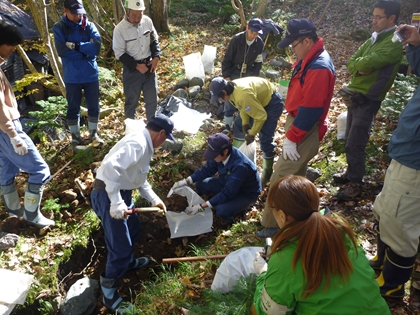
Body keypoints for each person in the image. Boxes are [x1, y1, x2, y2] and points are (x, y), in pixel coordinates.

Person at [251, 175, 390, 315]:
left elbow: (267, 312)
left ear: (282, 215)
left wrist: (264, 273)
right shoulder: (339, 228)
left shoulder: (284, 260)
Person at [257, 18, 335, 238]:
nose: (292, 51)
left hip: (304, 127)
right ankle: (300, 219)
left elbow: (310, 109)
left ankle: (273, 225)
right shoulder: (309, 59)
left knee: (281, 178)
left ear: (307, 40)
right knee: (296, 178)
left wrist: (292, 137)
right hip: (299, 124)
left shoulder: (319, 66)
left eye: (294, 46)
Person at [90, 114, 171, 313]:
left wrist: (154, 198)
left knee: (133, 226)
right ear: (161, 133)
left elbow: (139, 178)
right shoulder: (138, 144)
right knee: (120, 246)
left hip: (122, 192)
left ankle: (128, 263)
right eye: (167, 138)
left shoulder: (145, 145)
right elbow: (110, 168)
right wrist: (116, 202)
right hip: (108, 193)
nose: (165, 142)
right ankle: (109, 294)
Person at [368, 24, 420, 298]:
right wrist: (416, 45)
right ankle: (381, 263)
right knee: (386, 209)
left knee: (400, 221)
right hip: (405, 150)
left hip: (415, 158)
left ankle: (393, 283)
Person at [335, 0, 402, 200]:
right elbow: (354, 61)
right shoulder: (375, 38)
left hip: (369, 97)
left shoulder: (393, 42)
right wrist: (360, 66)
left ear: (391, 18)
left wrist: (362, 64)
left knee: (356, 141)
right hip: (356, 95)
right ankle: (350, 174)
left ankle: (356, 182)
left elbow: (368, 62)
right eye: (373, 16)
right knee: (349, 138)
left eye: (378, 17)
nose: (373, 21)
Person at [0, 23, 54, 228]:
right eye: (10, 45)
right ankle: (32, 215)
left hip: (2, 129)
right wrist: (14, 135)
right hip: (7, 127)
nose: (13, 49)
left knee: (6, 170)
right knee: (40, 170)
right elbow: (0, 108)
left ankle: (14, 211)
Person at [209, 77, 284, 186]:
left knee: (265, 139)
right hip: (257, 100)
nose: (219, 100)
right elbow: (242, 108)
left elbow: (261, 116)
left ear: (224, 91)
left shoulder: (243, 95)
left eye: (219, 98)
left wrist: (252, 134)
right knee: (239, 125)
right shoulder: (232, 92)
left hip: (272, 102)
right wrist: (245, 123)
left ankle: (267, 172)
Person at [171, 133, 261, 224]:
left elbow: (228, 192)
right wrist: (186, 181)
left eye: (214, 154)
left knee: (221, 210)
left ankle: (230, 219)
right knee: (200, 185)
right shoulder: (218, 154)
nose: (212, 157)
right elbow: (207, 170)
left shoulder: (240, 167)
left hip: (245, 193)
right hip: (226, 181)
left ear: (225, 151)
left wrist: (202, 206)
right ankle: (215, 200)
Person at [53, 0, 103, 145]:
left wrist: (75, 46)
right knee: (73, 106)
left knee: (94, 104)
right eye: (74, 13)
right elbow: (62, 51)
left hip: (90, 73)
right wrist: (85, 52)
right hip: (72, 76)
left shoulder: (89, 26)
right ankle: (75, 137)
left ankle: (94, 134)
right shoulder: (59, 28)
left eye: (80, 13)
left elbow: (96, 48)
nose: (78, 16)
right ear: (65, 11)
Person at [113, 0, 161, 122]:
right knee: (131, 102)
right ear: (127, 12)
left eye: (139, 15)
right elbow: (119, 53)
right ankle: (130, 130)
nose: (137, 18)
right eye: (134, 15)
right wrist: (136, 66)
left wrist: (156, 57)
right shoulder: (120, 29)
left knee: (152, 100)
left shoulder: (147, 21)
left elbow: (154, 40)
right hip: (132, 70)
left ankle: (153, 128)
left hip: (149, 65)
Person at [221, 18, 264, 134]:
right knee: (230, 99)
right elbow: (227, 59)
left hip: (248, 74)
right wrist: (227, 76)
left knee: (245, 100)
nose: (253, 35)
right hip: (234, 71)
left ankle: (240, 125)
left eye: (256, 33)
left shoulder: (259, 43)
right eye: (252, 32)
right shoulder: (236, 39)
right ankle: (227, 125)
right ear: (247, 28)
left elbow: (258, 63)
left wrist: (254, 79)